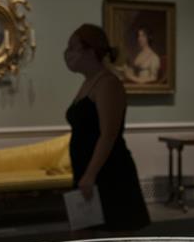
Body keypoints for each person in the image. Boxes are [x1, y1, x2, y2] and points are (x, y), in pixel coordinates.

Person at [64, 24, 150, 231]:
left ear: (90, 51)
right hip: (88, 170)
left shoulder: (108, 83)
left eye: (73, 47)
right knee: (88, 237)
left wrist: (90, 174)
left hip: (107, 171)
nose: (67, 54)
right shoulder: (90, 82)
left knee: (112, 237)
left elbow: (108, 134)